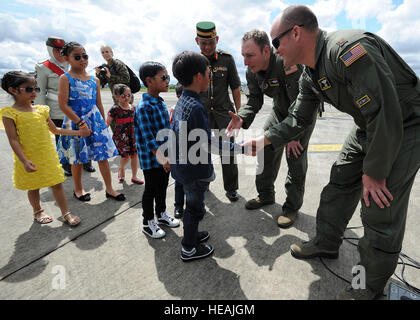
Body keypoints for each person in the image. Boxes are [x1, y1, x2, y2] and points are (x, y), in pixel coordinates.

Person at [243, 4, 420, 299]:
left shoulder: (348, 51)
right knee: (339, 183)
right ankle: (326, 241)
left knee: (379, 208)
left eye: (276, 42)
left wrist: (375, 173)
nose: (275, 51)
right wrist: (263, 141)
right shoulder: (310, 75)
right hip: (369, 124)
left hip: (404, 125)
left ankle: (367, 286)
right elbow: (298, 118)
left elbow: (385, 113)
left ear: (296, 33)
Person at [226, 30, 316, 228]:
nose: (245, 62)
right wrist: (242, 117)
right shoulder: (252, 71)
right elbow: (255, 100)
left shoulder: (288, 63)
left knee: (295, 159)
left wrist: (292, 135)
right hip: (279, 112)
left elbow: (300, 105)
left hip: (301, 115)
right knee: (264, 149)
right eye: (243, 56)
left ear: (266, 50)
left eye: (250, 55)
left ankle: (291, 207)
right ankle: (265, 195)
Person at [171, 51, 248, 261]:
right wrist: (240, 148)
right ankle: (188, 248)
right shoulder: (196, 107)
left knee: (192, 207)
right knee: (195, 209)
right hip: (194, 171)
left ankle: (193, 235)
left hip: (183, 168)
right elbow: (209, 144)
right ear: (198, 77)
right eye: (207, 73)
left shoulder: (182, 101)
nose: (210, 77)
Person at [1, 71, 83, 226]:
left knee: (57, 182)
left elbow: (56, 130)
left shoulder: (41, 110)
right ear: (13, 90)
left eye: (36, 89)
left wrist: (79, 132)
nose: (34, 92)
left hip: (47, 155)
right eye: (29, 89)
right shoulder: (10, 113)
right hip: (28, 157)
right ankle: (37, 210)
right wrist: (24, 160)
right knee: (34, 186)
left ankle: (66, 212)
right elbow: (13, 140)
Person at [57, 42, 125, 202]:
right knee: (78, 158)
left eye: (85, 56)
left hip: (95, 121)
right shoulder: (65, 78)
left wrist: (103, 125)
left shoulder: (94, 80)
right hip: (75, 121)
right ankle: (78, 188)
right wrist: (80, 123)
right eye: (77, 57)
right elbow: (63, 105)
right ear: (67, 59)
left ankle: (109, 188)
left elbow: (99, 103)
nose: (83, 60)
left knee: (102, 156)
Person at [195, 21, 242, 202]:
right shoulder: (193, 61)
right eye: (203, 43)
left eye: (211, 42)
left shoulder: (227, 59)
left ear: (217, 40)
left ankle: (231, 188)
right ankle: (204, 183)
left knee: (228, 153)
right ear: (196, 41)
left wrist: (238, 115)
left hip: (224, 115)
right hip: (202, 115)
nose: (207, 47)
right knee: (201, 152)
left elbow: (236, 88)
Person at [135, 61, 180, 239]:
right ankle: (147, 222)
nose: (168, 81)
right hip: (153, 159)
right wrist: (163, 159)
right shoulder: (144, 107)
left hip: (165, 157)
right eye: (164, 77)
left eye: (168, 77)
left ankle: (161, 214)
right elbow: (148, 138)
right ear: (149, 81)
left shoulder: (159, 102)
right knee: (151, 189)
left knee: (162, 187)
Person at [34, 37, 74, 176]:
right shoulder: (43, 67)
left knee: (79, 135)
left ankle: (83, 161)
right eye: (57, 50)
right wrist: (42, 113)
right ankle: (65, 164)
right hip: (56, 108)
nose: (60, 53)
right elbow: (39, 92)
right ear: (50, 50)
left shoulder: (72, 62)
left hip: (74, 107)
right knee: (62, 138)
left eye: (63, 50)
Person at [106, 84, 144, 185]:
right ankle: (121, 168)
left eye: (129, 95)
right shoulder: (115, 109)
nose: (126, 98)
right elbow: (107, 123)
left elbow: (139, 122)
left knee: (135, 156)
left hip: (133, 135)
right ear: (116, 96)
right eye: (123, 95)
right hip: (121, 137)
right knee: (125, 157)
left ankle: (134, 176)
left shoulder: (134, 108)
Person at [170, 82, 185, 219]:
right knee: (179, 182)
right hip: (179, 150)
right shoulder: (174, 110)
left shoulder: (197, 107)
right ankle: (178, 206)